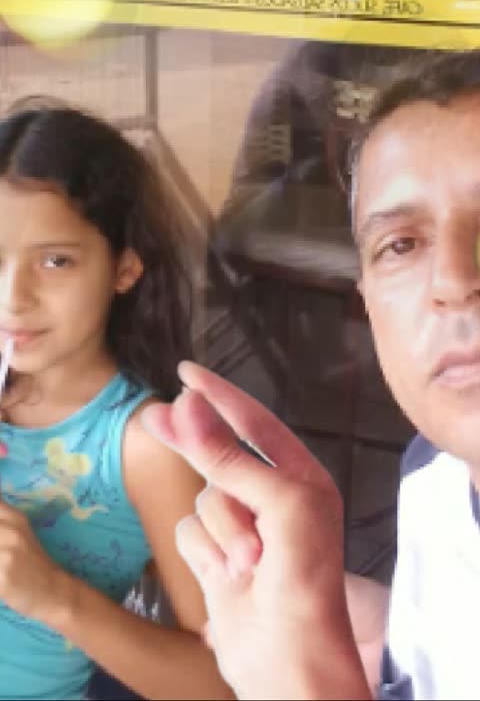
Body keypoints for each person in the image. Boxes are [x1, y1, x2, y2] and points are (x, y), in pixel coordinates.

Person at [142, 49, 480, 700]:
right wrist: (370, 623)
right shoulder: (432, 477)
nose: (454, 281)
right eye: (401, 245)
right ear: (367, 301)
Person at [0, 106, 232, 700]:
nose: (12, 297)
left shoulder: (144, 447)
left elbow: (225, 683)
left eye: (55, 261)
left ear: (124, 268)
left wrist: (53, 594)